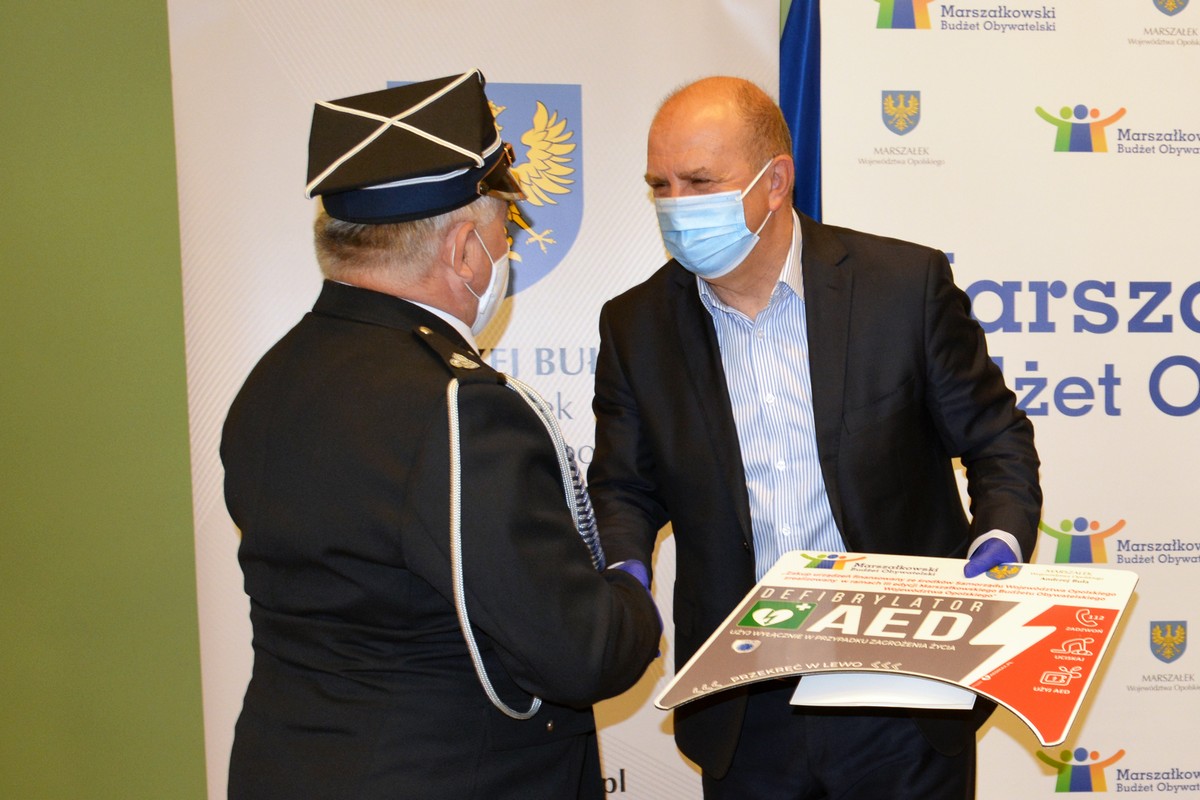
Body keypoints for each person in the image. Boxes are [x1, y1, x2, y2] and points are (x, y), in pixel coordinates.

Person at [589, 76, 1042, 799]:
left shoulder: (903, 286)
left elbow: (997, 439)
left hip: (903, 688)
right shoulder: (635, 325)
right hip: (744, 699)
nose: (675, 206)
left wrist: (1000, 542)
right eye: (660, 186)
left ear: (775, 182)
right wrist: (625, 567)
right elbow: (623, 485)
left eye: (699, 182)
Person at [220, 70, 661, 800]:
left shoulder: (270, 380)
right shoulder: (462, 407)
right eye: (504, 230)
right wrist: (627, 577)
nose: (506, 249)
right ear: (464, 252)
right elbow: (580, 653)